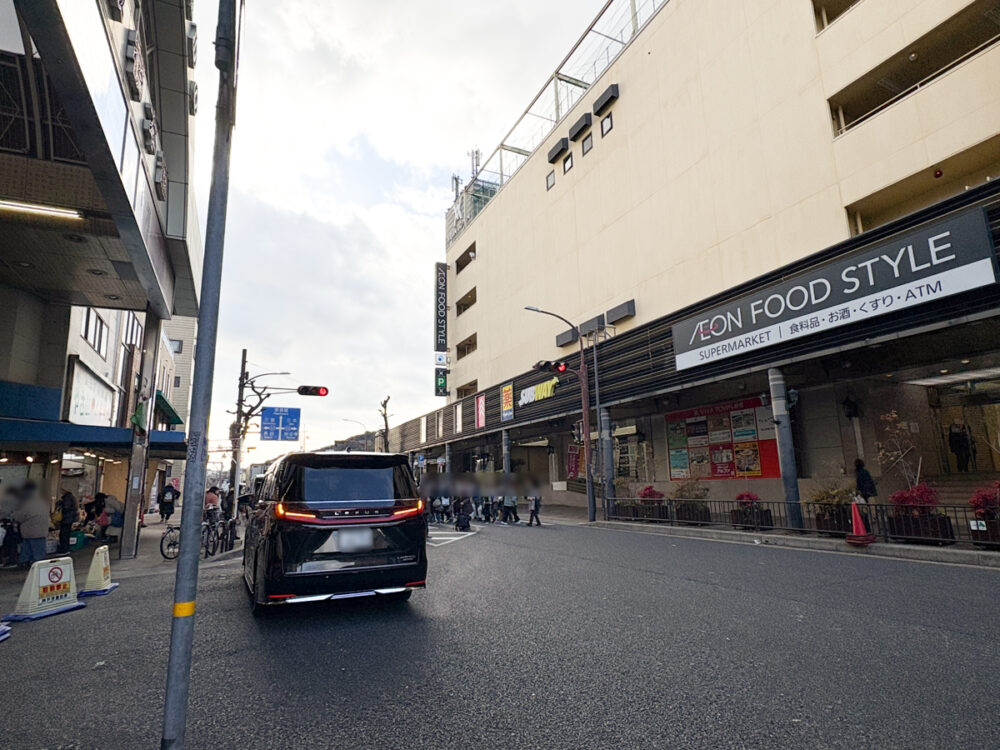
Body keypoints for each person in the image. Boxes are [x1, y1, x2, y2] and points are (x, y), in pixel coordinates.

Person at [13, 482, 50, 567]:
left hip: (31, 530)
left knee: (29, 548)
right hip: (41, 530)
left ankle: (28, 563)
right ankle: (33, 563)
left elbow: (19, 516)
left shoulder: (26, 502)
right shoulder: (41, 501)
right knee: (37, 549)